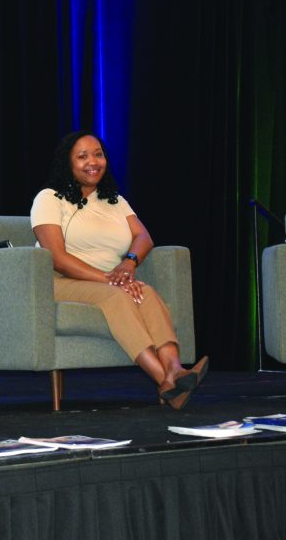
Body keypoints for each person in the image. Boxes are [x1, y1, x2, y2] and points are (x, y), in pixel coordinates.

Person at [30, 130, 208, 409]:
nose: (93, 161)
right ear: (67, 163)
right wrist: (111, 281)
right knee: (117, 296)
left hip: (108, 280)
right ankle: (164, 380)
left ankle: (175, 369)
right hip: (59, 280)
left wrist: (128, 263)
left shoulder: (114, 200)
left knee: (145, 293)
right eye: (82, 156)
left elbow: (144, 237)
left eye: (98, 154)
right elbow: (57, 258)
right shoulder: (49, 198)